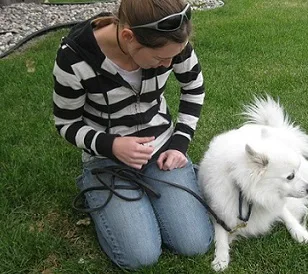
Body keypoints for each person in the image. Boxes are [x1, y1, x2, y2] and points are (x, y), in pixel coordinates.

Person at [52, 0, 213, 270]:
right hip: (108, 160)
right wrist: (111, 145)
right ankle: (95, 183)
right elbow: (66, 123)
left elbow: (194, 88)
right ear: (129, 38)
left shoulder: (172, 41)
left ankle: (156, 187)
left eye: (175, 56)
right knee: (140, 257)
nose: (169, 64)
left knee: (195, 244)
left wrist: (179, 144)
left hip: (162, 152)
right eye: (161, 59)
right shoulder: (74, 58)